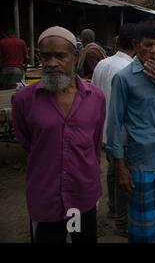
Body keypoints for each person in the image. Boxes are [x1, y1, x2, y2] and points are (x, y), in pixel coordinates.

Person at [11, 26, 106, 243]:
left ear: (75, 56)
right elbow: (27, 143)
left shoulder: (95, 97)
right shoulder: (24, 100)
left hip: (83, 194)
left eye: (60, 56)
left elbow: (95, 142)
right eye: (46, 56)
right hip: (46, 197)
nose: (52, 63)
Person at [107, 20, 155, 243]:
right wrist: (120, 166)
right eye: (148, 45)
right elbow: (114, 123)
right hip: (142, 164)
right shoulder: (124, 79)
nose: (153, 51)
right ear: (136, 44)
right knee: (145, 227)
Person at [91, 23, 137, 237]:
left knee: (112, 171)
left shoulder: (102, 63)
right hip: (122, 133)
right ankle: (121, 222)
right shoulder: (129, 70)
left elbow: (93, 95)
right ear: (136, 45)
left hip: (103, 130)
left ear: (117, 42)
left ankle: (112, 210)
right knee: (123, 177)